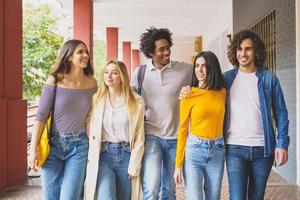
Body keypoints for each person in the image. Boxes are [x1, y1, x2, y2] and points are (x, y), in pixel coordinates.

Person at [224, 30, 289, 200]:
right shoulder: (227, 79)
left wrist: (282, 144)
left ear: (256, 52)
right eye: (239, 49)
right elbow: (205, 93)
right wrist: (188, 91)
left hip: (263, 150)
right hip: (234, 149)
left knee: (256, 197)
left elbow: (281, 113)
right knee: (237, 197)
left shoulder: (269, 79)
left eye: (248, 49)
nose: (243, 53)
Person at [28, 39, 97, 200]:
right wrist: (33, 150)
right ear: (68, 57)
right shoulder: (55, 80)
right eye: (80, 52)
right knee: (50, 196)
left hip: (79, 146)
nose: (85, 55)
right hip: (53, 146)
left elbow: (93, 115)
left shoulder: (92, 84)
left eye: (86, 52)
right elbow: (41, 116)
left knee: (70, 197)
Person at [131, 27, 193, 200]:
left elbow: (203, 86)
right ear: (151, 52)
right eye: (161, 49)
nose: (167, 52)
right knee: (151, 188)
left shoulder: (186, 70)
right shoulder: (140, 74)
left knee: (170, 189)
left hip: (177, 138)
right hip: (152, 136)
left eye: (168, 47)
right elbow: (130, 102)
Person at [84, 60, 145, 200]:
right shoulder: (97, 99)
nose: (108, 76)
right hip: (103, 155)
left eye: (114, 72)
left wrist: (134, 164)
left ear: (122, 76)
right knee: (106, 197)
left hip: (126, 155)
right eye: (106, 72)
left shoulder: (136, 101)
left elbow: (139, 137)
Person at [174, 51, 226, 200]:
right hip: (194, 150)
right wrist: (178, 165)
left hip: (217, 150)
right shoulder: (189, 94)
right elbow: (183, 129)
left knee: (214, 197)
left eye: (204, 66)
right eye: (197, 66)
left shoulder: (223, 92)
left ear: (212, 68)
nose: (199, 70)